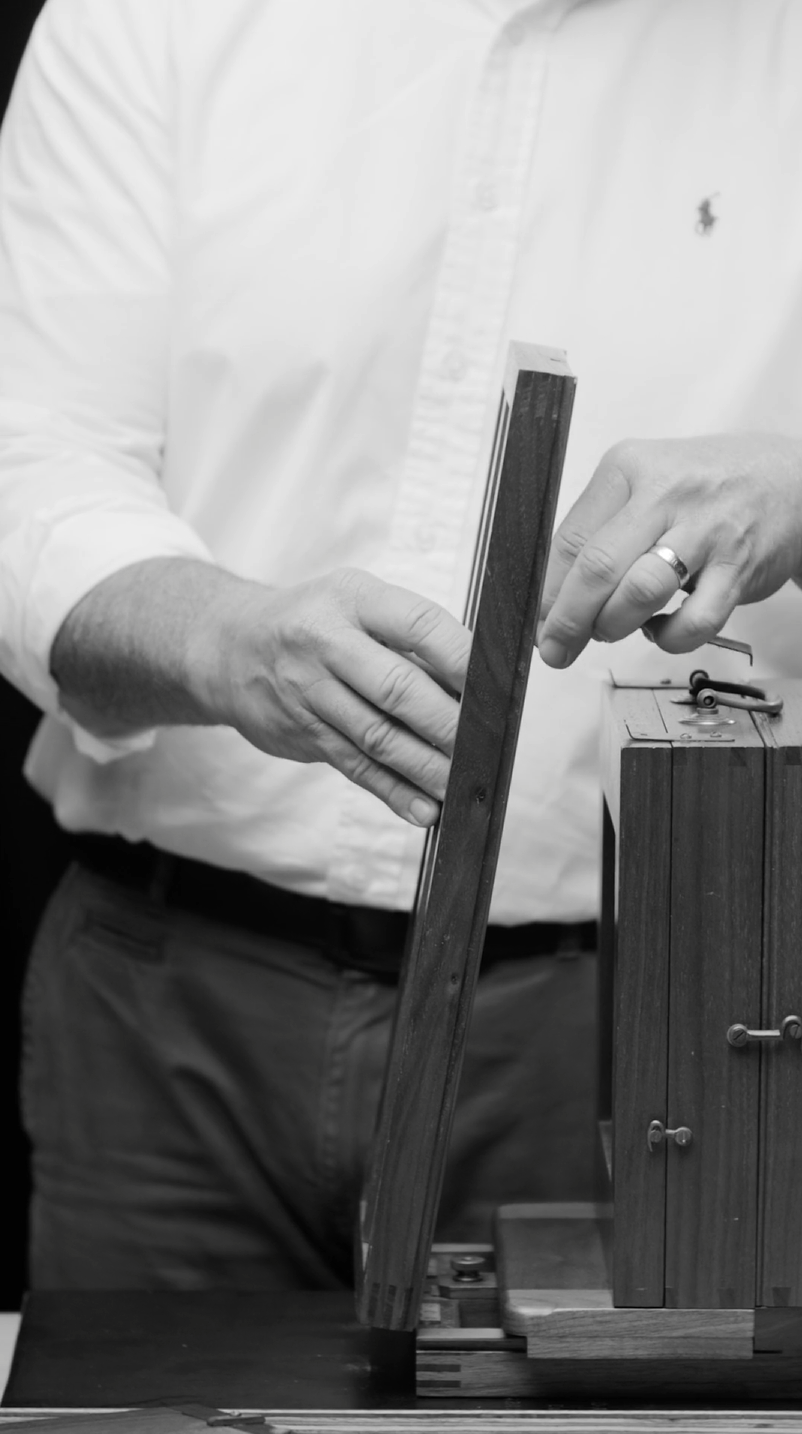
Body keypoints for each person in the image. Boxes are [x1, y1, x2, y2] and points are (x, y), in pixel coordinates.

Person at [2, 0, 802, 1291]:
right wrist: (222, 637)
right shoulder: (145, 17)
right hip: (168, 1019)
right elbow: (26, 459)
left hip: (639, 1035)